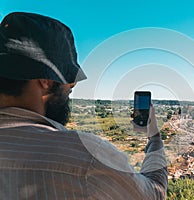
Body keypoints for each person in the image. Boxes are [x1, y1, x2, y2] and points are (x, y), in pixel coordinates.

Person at [0, 12, 168, 199]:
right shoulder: (86, 158)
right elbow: (154, 193)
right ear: (46, 79)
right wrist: (154, 136)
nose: (72, 85)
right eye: (69, 77)